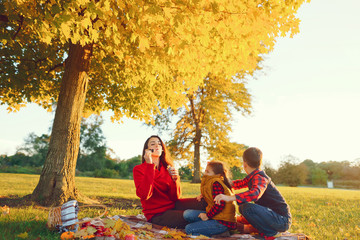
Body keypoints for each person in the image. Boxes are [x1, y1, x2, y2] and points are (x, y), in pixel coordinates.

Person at [214, 147, 292, 238]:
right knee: (244, 207)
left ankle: (271, 233)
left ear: (245, 163)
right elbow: (237, 184)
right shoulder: (253, 176)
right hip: (275, 218)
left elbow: (255, 194)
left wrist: (230, 197)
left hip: (281, 220)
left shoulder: (260, 177)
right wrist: (219, 182)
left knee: (247, 208)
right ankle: (263, 230)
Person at [133, 135, 206, 229]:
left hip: (173, 205)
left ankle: (224, 219)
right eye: (153, 144)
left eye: (159, 144)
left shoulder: (168, 168)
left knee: (203, 202)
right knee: (192, 216)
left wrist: (175, 179)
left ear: (162, 149)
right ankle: (216, 224)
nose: (157, 146)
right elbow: (144, 194)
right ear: (147, 150)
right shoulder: (139, 169)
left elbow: (175, 197)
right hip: (157, 214)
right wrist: (149, 165)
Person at [183, 161, 236, 237]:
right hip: (216, 216)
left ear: (217, 175)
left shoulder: (216, 183)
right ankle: (215, 232)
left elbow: (219, 205)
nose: (205, 173)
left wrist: (207, 216)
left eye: (208, 172)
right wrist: (203, 195)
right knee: (187, 214)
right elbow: (213, 195)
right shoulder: (211, 181)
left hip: (222, 222)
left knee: (189, 229)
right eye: (205, 170)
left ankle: (216, 234)